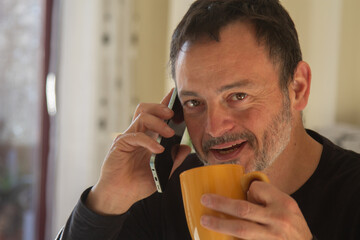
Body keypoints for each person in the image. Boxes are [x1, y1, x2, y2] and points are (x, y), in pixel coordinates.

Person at [56, 0, 360, 239]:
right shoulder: (165, 191)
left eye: (238, 96)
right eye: (193, 102)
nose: (213, 128)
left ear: (297, 88)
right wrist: (106, 201)